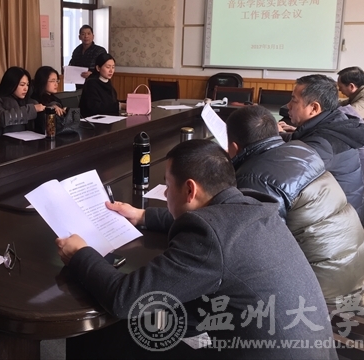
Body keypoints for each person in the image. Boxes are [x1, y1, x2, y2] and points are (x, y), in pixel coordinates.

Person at [56, 140, 335, 359]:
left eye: (168, 186)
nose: (166, 194)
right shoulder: (252, 207)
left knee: (116, 332)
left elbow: (125, 299)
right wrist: (143, 216)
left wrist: (80, 254)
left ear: (190, 190)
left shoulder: (209, 237)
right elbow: (206, 223)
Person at [227, 105, 364, 304]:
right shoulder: (302, 149)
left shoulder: (255, 178)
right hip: (355, 279)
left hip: (324, 298)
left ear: (233, 148)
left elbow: (259, 249)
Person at [278, 74, 364, 220]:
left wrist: (268, 139)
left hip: (335, 224)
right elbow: (304, 141)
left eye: (294, 100)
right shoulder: (334, 122)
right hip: (338, 212)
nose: (288, 106)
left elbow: (286, 175)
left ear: (314, 108)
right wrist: (278, 134)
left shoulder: (324, 142)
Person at [0, 67, 45, 138]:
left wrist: (52, 107)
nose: (26, 88)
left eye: (27, 85)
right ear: (11, 84)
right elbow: (3, 118)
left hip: (28, 141)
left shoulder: (30, 101)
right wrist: (32, 110)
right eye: (22, 85)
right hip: (3, 142)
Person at [79, 53, 125, 118]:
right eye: (108, 67)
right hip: (91, 120)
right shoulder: (91, 83)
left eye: (113, 67)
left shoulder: (108, 82)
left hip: (108, 119)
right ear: (98, 68)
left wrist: (127, 103)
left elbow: (112, 102)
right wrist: (120, 106)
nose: (111, 70)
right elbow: (95, 107)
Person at [338, 66, 364, 137]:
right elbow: (343, 103)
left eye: (341, 87)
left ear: (351, 86)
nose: (339, 90)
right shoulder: (362, 92)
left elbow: (349, 114)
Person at [32, 66, 66, 134]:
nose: (56, 84)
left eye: (57, 81)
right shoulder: (34, 99)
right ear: (42, 81)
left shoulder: (56, 99)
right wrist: (51, 108)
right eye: (52, 81)